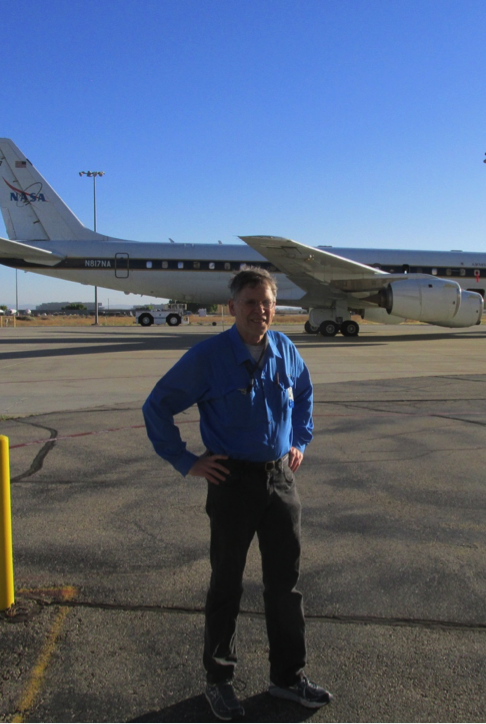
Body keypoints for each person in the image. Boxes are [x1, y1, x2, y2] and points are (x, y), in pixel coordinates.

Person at [143, 268, 331, 721]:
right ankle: (219, 679)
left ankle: (287, 678)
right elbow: (157, 406)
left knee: (285, 586)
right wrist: (188, 461)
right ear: (232, 308)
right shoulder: (209, 356)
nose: (259, 310)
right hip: (232, 482)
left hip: (279, 480)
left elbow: (303, 393)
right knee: (226, 583)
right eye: (249, 302)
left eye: (266, 302)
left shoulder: (285, 348)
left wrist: (299, 441)